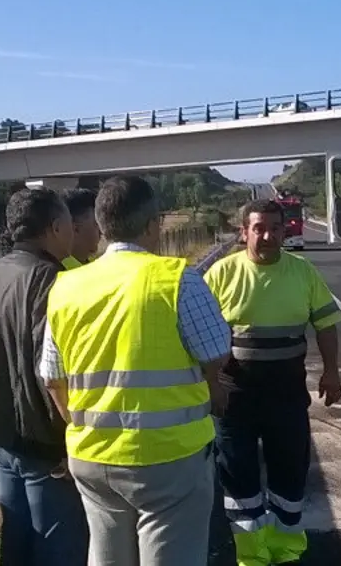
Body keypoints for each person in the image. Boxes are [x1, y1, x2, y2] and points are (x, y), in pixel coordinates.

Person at [39, 175, 231, 566]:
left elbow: (53, 378)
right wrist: (213, 388)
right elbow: (216, 352)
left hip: (92, 459)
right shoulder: (177, 279)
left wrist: (82, 427)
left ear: (103, 225)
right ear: (150, 225)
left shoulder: (65, 287)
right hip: (169, 459)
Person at [202, 199, 341, 566]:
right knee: (238, 476)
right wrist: (210, 387)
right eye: (259, 228)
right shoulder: (220, 274)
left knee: (289, 473)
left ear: (285, 231)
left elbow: (325, 325)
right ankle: (253, 554)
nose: (267, 236)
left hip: (286, 394)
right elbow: (199, 335)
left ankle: (286, 550)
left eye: (275, 229)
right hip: (235, 395)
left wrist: (332, 371)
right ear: (244, 232)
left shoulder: (303, 272)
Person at [0, 187, 87, 566]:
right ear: (54, 226)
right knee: (58, 549)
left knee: (16, 546)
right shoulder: (52, 280)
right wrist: (70, 440)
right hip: (46, 444)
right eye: (69, 222)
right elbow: (52, 372)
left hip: (1, 436)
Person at [59, 188, 99, 269]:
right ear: (75, 229)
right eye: (96, 224)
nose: (101, 231)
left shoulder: (97, 262)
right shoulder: (59, 271)